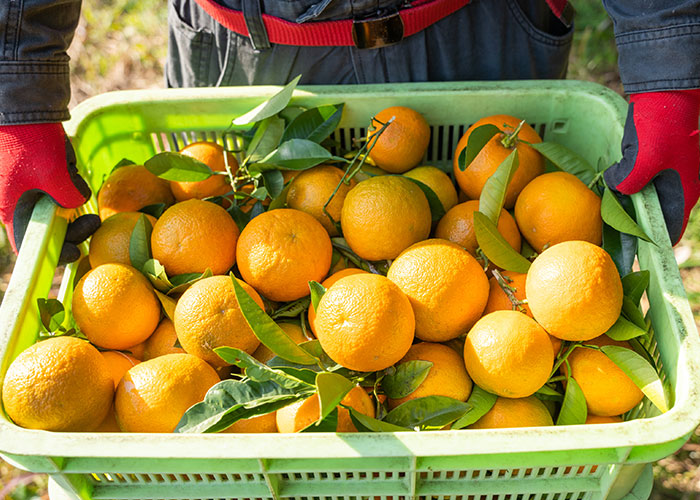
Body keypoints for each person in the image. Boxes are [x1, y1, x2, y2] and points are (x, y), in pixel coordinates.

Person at [0, 0, 698, 261]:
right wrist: (15, 76)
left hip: (472, 26)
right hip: (241, 37)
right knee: (221, 214)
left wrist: (671, 47)